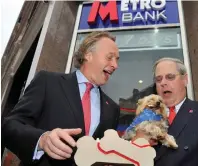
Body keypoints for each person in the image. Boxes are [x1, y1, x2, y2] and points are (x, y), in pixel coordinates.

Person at [2, 31, 121, 166]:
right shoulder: (48, 82)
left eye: (117, 59)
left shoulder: (113, 109)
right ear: (88, 55)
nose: (115, 65)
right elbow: (9, 126)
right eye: (110, 57)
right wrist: (42, 139)